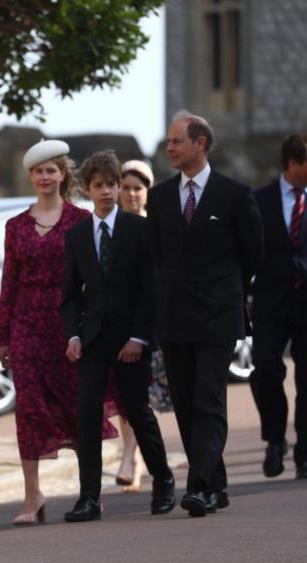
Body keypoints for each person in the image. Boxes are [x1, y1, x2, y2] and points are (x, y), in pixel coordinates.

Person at [145, 111, 263, 517]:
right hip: (175, 318)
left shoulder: (234, 194)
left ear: (201, 144)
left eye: (177, 141)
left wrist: (225, 290)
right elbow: (157, 257)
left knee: (209, 400)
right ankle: (218, 484)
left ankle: (198, 485)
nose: (170, 148)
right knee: (186, 403)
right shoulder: (159, 198)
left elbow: (252, 254)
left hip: (217, 316)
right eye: (168, 142)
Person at [0, 139, 118, 525]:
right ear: (31, 177)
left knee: (79, 407)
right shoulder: (15, 226)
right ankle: (32, 497)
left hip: (71, 326)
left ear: (63, 174)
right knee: (29, 409)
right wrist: (4, 336)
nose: (45, 177)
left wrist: (94, 327)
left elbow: (94, 279)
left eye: (52, 170)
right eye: (38, 171)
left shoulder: (81, 221)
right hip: (27, 326)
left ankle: (89, 493)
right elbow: (8, 283)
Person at [60, 150, 176, 522]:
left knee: (138, 412)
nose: (108, 191)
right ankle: (90, 498)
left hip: (131, 339)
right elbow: (69, 296)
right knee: (87, 416)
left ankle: (164, 482)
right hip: (92, 339)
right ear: (87, 190)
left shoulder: (139, 229)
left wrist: (140, 338)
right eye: (99, 186)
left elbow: (151, 289)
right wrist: (73, 336)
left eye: (112, 184)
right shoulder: (77, 236)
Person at [249, 133, 307, 480]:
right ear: (294, 164)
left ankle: (304, 452)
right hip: (270, 302)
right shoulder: (259, 200)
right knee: (266, 372)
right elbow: (248, 250)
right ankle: (274, 439)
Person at [114, 159, 173, 492]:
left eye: (138, 188)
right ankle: (131, 455)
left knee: (149, 397)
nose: (131, 194)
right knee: (131, 398)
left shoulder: (157, 227)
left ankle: (138, 456)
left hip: (156, 325)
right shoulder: (112, 229)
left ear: (148, 192)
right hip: (124, 324)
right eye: (126, 187)